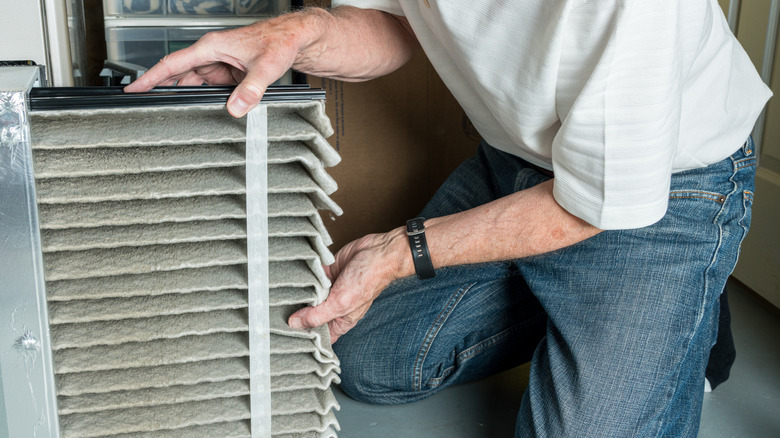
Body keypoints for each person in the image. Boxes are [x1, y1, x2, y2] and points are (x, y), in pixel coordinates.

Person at [126, 1, 771, 436]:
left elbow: (599, 200)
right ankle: (609, 310)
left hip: (659, 189)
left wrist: (396, 252)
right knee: (366, 360)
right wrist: (300, 34)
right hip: (517, 160)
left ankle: (684, 304)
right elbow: (394, 21)